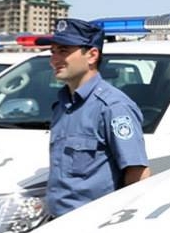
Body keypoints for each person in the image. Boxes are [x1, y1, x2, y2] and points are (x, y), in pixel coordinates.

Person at [43, 16, 149, 218]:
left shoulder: (113, 107)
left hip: (93, 223)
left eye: (63, 51)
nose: (54, 60)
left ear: (92, 55)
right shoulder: (63, 105)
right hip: (57, 222)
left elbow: (137, 174)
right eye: (53, 52)